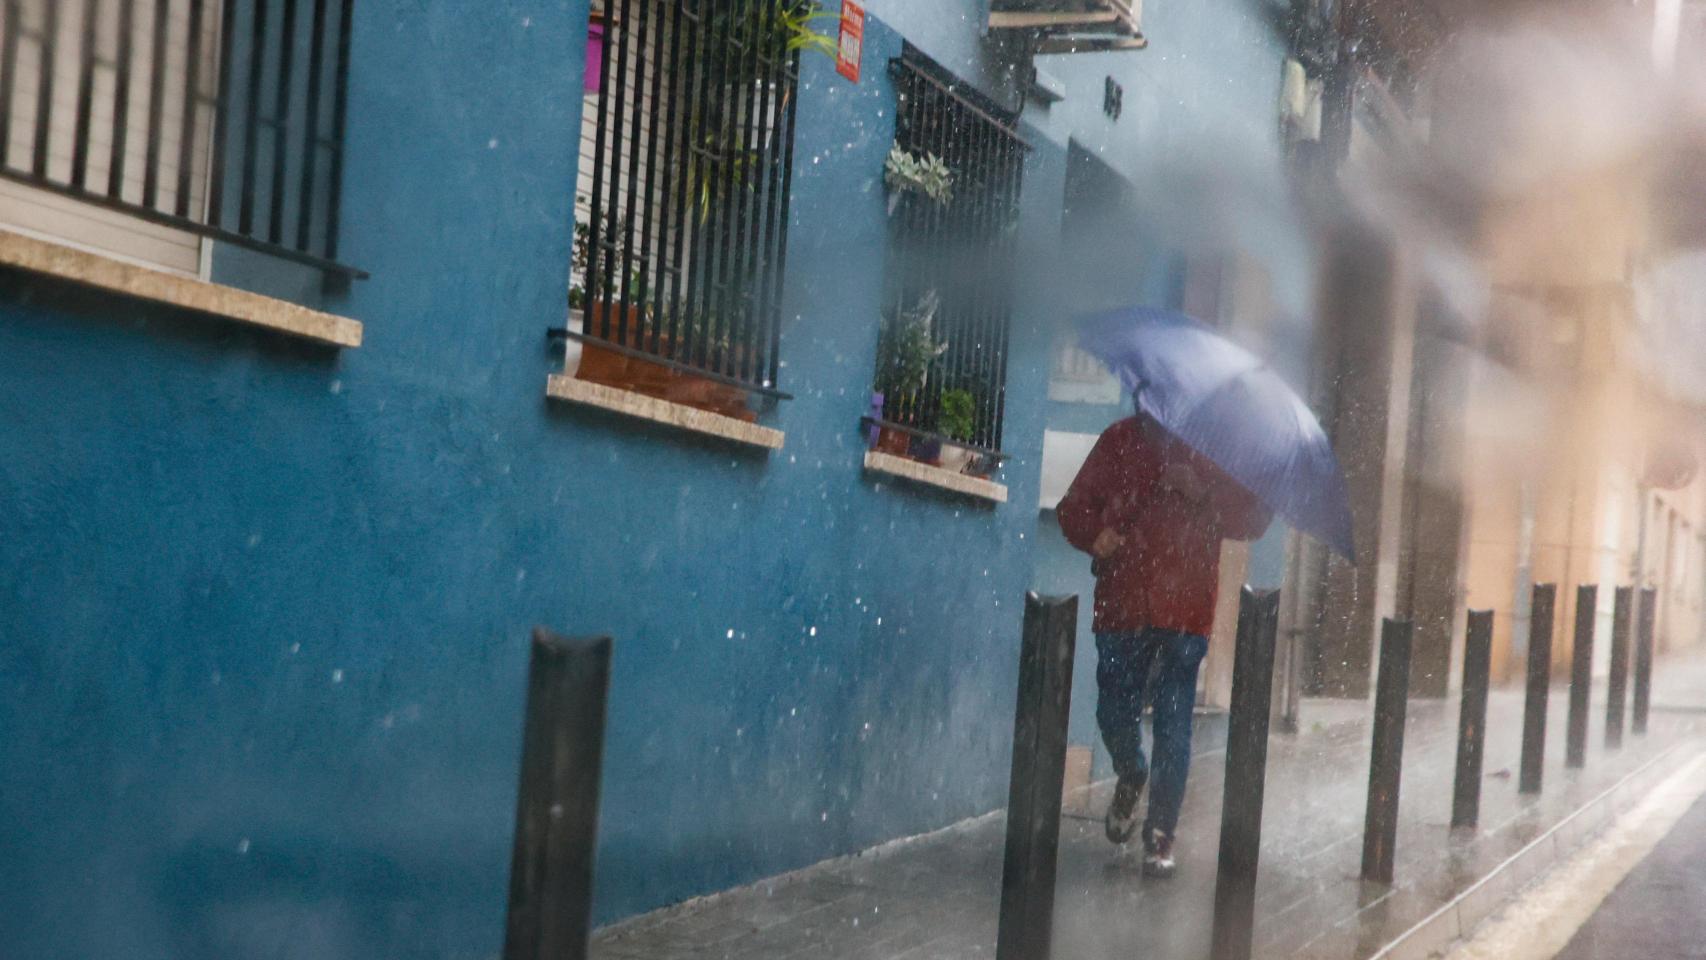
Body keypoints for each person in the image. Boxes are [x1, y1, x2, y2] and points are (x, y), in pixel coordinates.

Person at [1057, 409, 1272, 877]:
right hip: (1123, 604)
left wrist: (1206, 493)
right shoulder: (1120, 440)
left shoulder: (1218, 449)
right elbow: (1072, 508)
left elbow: (1253, 520)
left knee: (1175, 726)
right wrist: (1097, 536)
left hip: (1186, 610)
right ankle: (1131, 771)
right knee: (1113, 713)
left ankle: (1160, 834)